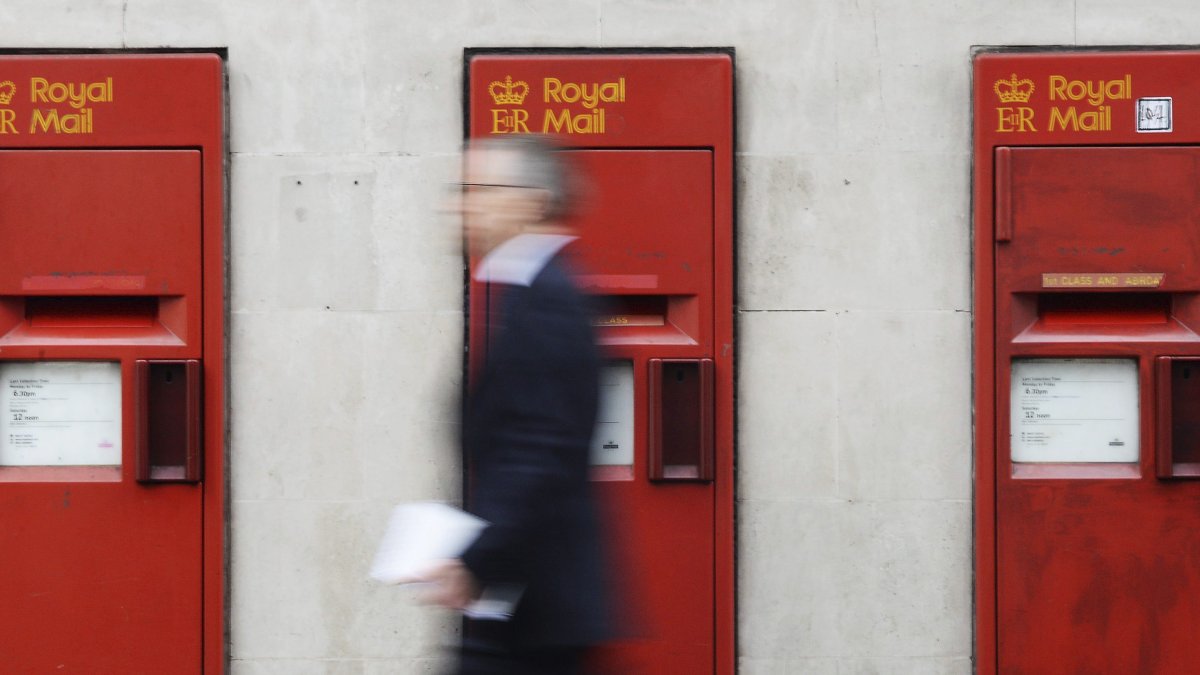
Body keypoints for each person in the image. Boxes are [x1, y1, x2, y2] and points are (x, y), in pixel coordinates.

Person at [426, 135, 612, 674]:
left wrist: (474, 559)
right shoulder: (529, 289)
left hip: (537, 601)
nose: (458, 205)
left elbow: (538, 450)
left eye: (475, 190)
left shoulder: (547, 296)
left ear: (529, 201)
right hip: (529, 597)